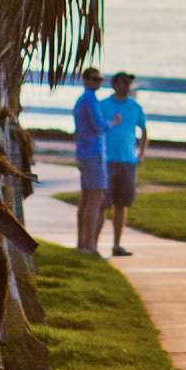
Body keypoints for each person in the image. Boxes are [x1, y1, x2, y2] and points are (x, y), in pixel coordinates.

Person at [98, 72, 147, 257]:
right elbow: (96, 128)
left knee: (121, 204)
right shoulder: (103, 105)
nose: (125, 86)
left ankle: (117, 245)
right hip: (107, 161)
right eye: (123, 82)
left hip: (127, 161)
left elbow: (144, 130)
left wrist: (141, 153)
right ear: (114, 84)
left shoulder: (135, 107)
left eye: (128, 83)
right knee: (102, 204)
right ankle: (93, 244)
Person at [72, 65, 109, 253]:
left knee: (87, 197)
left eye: (99, 79)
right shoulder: (90, 99)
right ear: (86, 80)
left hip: (84, 152)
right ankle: (88, 244)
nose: (98, 82)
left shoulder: (81, 100)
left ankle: (82, 242)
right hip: (93, 153)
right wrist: (112, 123)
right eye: (94, 79)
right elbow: (98, 126)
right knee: (95, 198)